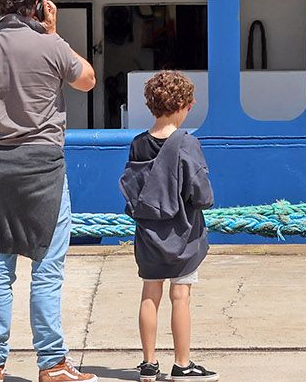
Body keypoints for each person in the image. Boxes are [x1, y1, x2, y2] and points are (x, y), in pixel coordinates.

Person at [0, 0, 99, 382]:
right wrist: (53, 34)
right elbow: (87, 80)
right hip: (45, 171)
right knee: (46, 271)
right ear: (39, 4)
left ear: (0, 3)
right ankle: (52, 364)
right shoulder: (51, 48)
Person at [119, 70, 217, 380]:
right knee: (180, 296)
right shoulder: (187, 144)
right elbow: (202, 195)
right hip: (182, 235)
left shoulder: (137, 144)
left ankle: (148, 364)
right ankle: (182, 365)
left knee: (150, 294)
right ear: (185, 106)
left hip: (148, 236)